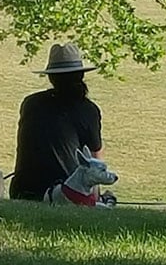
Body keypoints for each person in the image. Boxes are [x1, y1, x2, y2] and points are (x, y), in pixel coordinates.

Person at [9, 42, 107, 201]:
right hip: (65, 194)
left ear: (51, 77)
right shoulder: (88, 110)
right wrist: (95, 198)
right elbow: (95, 158)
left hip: (23, 190)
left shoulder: (30, 103)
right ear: (80, 75)